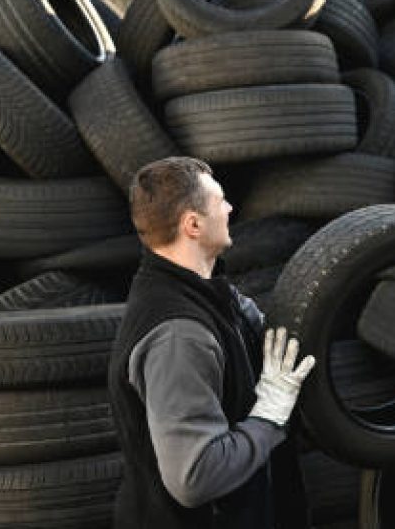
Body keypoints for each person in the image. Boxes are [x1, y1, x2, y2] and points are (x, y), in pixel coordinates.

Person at [108, 156, 315, 528]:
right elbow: (195, 476)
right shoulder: (179, 335)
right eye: (220, 200)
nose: (230, 208)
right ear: (193, 224)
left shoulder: (212, 298)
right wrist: (268, 417)